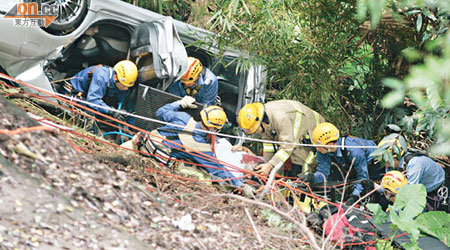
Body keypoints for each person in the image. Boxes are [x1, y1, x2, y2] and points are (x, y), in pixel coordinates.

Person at [125, 96, 243, 187]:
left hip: (138, 143)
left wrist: (179, 103)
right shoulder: (200, 145)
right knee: (204, 178)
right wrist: (239, 185)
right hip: (153, 162)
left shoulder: (182, 117)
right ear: (214, 129)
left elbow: (160, 112)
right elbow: (218, 169)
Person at [237, 100, 324, 177]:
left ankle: (303, 192)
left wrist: (271, 165)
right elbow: (269, 148)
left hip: (312, 128)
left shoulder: (281, 118)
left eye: (256, 129)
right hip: (293, 132)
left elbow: (287, 147)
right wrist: (267, 166)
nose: (257, 132)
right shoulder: (265, 121)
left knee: (300, 166)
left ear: (261, 121)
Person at [300, 122, 382, 205]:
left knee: (372, 194)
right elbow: (323, 173)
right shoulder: (323, 151)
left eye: (318, 146)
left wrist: (355, 196)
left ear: (330, 144)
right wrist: (312, 177)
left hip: (372, 164)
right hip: (348, 165)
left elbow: (363, 178)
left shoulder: (354, 151)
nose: (317, 148)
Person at [376, 137, 448, 211]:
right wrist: (375, 187)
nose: (383, 164)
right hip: (418, 187)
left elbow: (409, 194)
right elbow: (389, 187)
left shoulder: (415, 164)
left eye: (384, 160)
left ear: (394, 158)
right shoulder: (391, 166)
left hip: (435, 188)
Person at [63, 60, 138, 122]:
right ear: (115, 77)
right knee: (90, 116)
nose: (126, 89)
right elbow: (92, 100)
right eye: (124, 85)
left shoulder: (119, 83)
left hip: (88, 96)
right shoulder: (101, 77)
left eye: (128, 86)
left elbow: (122, 103)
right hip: (72, 93)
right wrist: (111, 111)